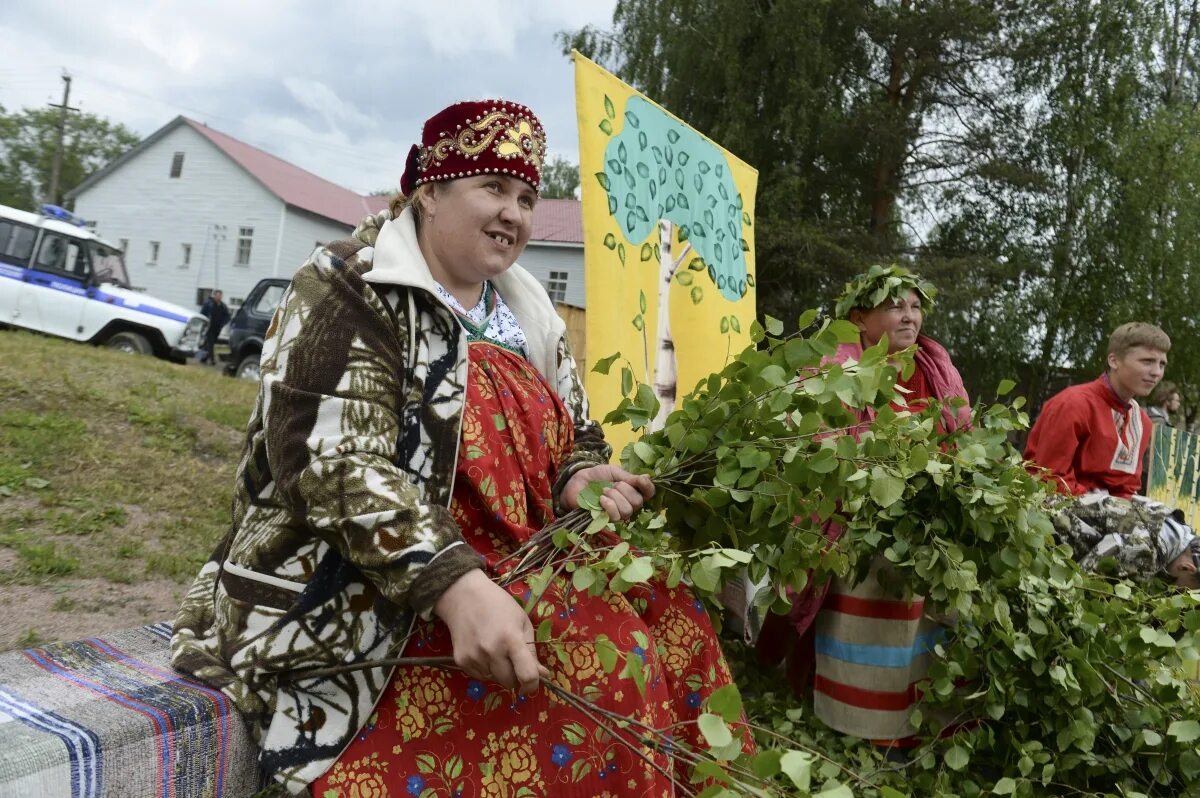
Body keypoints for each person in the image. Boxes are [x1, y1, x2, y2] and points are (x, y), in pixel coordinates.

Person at [171, 99, 744, 796]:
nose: (514, 213)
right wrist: (452, 583)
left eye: (527, 197)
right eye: (493, 188)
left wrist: (579, 472)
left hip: (518, 556)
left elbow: (574, 423)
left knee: (672, 610)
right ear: (430, 191)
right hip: (374, 588)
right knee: (607, 661)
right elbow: (327, 460)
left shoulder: (524, 307)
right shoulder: (356, 283)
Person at [757, 264, 971, 753]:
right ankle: (853, 722)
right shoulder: (834, 367)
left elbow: (961, 438)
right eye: (896, 305)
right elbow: (817, 445)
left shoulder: (936, 368)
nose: (909, 315)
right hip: (852, 519)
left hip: (922, 519)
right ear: (860, 315)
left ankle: (920, 717)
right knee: (869, 590)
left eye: (916, 306)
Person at [1024, 322, 1170, 499]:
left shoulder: (1142, 421)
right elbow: (1049, 480)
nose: (1156, 372)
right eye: (1147, 361)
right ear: (1114, 361)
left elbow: (1126, 489)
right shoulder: (1073, 404)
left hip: (1107, 518)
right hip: (1053, 514)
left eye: (1162, 364)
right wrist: (1105, 508)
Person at [197, 289, 230, 365]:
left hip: (217, 328)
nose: (219, 297)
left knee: (208, 343)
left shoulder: (223, 306)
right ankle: (212, 360)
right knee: (210, 343)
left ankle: (203, 358)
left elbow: (227, 316)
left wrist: (223, 324)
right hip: (209, 327)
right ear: (214, 295)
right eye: (217, 295)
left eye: (220, 296)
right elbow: (202, 313)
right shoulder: (209, 304)